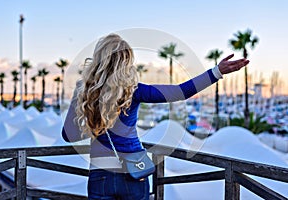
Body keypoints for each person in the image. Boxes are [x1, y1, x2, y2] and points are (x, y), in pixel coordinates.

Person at [62, 33, 249, 200]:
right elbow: (180, 92)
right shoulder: (133, 90)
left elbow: (69, 135)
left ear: (98, 59)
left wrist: (94, 123)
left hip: (100, 174)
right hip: (134, 171)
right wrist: (216, 72)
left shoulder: (83, 90)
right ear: (126, 62)